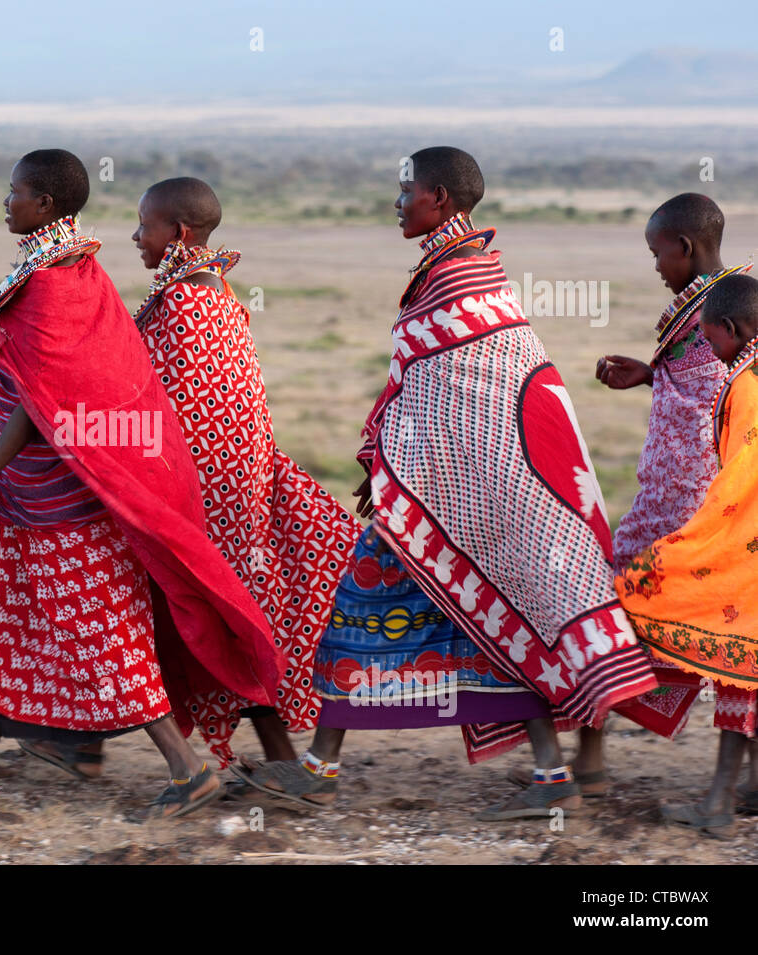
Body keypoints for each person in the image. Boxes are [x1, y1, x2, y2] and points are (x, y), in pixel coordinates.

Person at [237, 146, 658, 819]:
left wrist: (398, 473)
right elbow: (435, 392)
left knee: (378, 609)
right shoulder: (451, 270)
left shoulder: (461, 276)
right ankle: (545, 774)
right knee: (488, 628)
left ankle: (324, 768)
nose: (397, 202)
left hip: (463, 498)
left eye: (405, 190)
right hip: (444, 497)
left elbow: (469, 400)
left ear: (438, 197)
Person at [0, 149, 283, 818]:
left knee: (106, 639)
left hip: (64, 505)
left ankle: (186, 767)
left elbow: (38, 402)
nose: (7, 202)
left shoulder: (56, 282)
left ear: (47, 206)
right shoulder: (70, 269)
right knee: (9, 626)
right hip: (37, 502)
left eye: (16, 193)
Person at [129, 176, 359, 770]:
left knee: (225, 619)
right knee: (227, 618)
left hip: (213, 496)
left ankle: (280, 760)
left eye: (144, 225)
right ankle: (279, 759)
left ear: (179, 232)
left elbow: (167, 406)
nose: (135, 237)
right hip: (235, 487)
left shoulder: (187, 304)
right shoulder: (207, 292)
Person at [556, 195, 752, 792]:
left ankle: (590, 757)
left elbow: (716, 407)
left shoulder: (720, 311)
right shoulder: (720, 304)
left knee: (614, 603)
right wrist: (650, 373)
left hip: (688, 498)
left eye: (657, 254)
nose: (655, 266)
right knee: (728, 621)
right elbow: (704, 387)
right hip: (701, 493)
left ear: (685, 248)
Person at [617, 272, 758, 837]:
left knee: (738, 668)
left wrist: (692, 543)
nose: (709, 351)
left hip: (746, 548)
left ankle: (719, 805)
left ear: (729, 330)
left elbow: (738, 483)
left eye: (710, 339)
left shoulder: (745, 386)